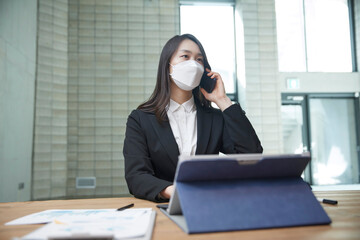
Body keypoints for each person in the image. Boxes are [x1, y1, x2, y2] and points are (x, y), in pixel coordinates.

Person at [123, 34, 263, 202]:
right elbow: (136, 176)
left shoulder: (214, 119)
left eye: (199, 60)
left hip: (208, 203)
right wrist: (176, 192)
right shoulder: (140, 119)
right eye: (185, 56)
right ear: (167, 66)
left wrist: (222, 100)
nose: (194, 64)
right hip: (163, 207)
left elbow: (251, 155)